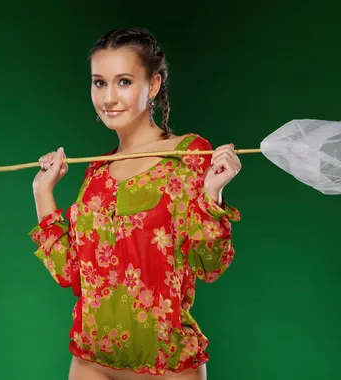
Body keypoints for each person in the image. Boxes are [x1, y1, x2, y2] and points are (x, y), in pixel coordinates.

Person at [29, 27, 242, 380]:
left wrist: (213, 194)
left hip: (167, 367)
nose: (109, 97)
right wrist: (43, 191)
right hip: (91, 362)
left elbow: (210, 265)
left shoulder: (188, 155)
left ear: (154, 86)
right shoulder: (97, 171)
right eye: (99, 82)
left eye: (124, 82)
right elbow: (71, 272)